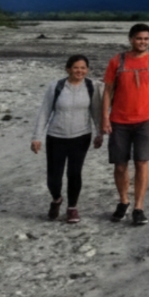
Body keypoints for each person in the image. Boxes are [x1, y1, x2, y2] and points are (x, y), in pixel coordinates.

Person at [102, 23, 149, 226]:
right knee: (120, 165)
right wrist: (104, 116)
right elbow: (108, 91)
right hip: (119, 121)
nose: (143, 42)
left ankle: (139, 207)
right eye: (139, 38)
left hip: (145, 120)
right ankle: (124, 201)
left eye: (146, 39)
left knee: (141, 162)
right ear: (131, 39)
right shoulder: (117, 61)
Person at [31, 55, 105, 224]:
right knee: (54, 177)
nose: (80, 71)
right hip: (56, 136)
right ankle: (56, 199)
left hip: (81, 136)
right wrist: (37, 137)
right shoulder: (56, 86)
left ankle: (72, 208)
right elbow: (44, 112)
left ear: (87, 70)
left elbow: (96, 112)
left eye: (83, 68)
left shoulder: (91, 86)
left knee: (74, 173)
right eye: (76, 67)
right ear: (68, 69)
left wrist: (99, 134)